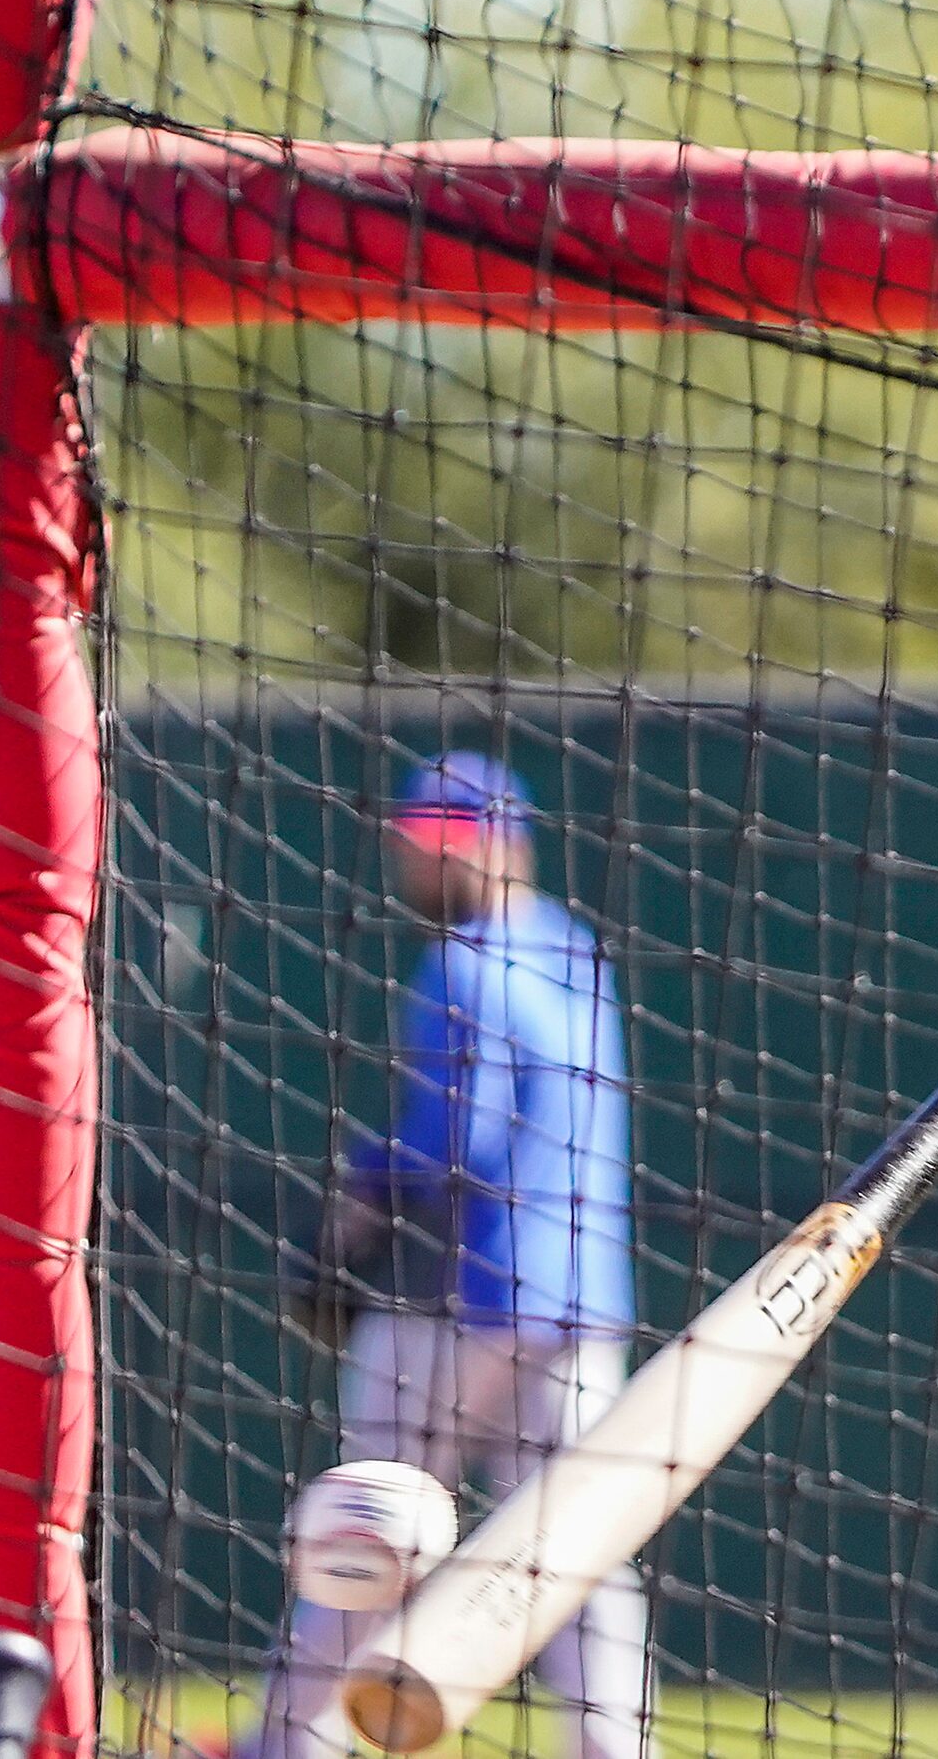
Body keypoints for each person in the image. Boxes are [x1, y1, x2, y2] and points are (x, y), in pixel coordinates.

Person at [246, 752, 647, 1759]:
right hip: (582, 1296)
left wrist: (358, 1210)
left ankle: (294, 1745)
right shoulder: (574, 950)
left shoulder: (465, 959)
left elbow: (457, 1142)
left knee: (364, 1536)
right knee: (578, 1558)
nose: (414, 862)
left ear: (489, 842)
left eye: (432, 843)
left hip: (466, 1299)